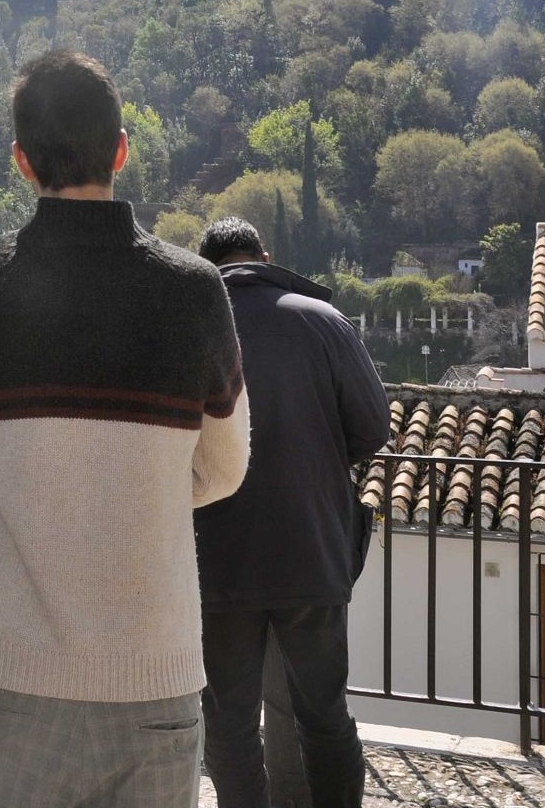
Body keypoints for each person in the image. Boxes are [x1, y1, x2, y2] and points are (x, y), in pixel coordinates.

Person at [0, 49, 250, 808]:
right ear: (122, 149)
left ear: (21, 161)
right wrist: (133, 481)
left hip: (1, 672)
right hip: (152, 683)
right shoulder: (196, 292)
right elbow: (223, 470)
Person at [193, 215, 390, 808]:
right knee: (324, 715)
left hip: (216, 559)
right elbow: (373, 428)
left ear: (205, 267)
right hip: (311, 551)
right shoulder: (323, 320)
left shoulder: (189, 326)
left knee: (228, 725)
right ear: (264, 255)